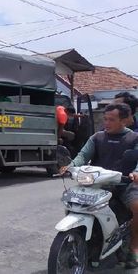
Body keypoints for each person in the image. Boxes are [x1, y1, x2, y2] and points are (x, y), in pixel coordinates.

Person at [59, 103, 138, 268]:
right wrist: (71, 166)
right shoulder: (97, 137)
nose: (106, 123)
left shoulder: (134, 139)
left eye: (112, 120)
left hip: (124, 184)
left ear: (124, 121)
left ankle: (134, 248)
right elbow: (83, 155)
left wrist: (136, 172)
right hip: (97, 183)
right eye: (105, 119)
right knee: (76, 203)